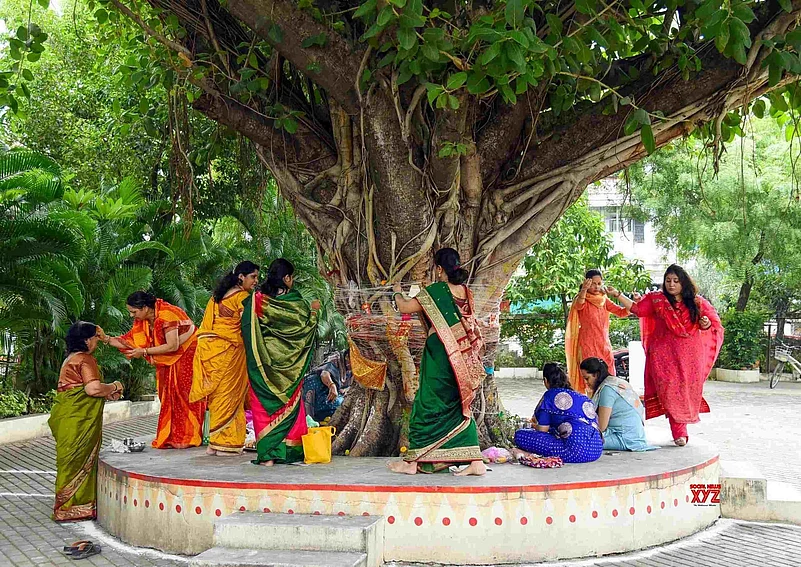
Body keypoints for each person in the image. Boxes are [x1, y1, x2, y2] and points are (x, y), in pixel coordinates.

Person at [388, 248, 486, 476]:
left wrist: (395, 292)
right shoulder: (465, 292)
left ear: (439, 269)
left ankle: (413, 462)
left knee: (426, 404)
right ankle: (475, 461)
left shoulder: (436, 291)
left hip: (441, 355)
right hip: (462, 358)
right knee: (459, 405)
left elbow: (404, 307)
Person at [615, 264, 723, 446]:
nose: (671, 284)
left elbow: (712, 324)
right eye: (668, 281)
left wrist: (705, 323)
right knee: (669, 390)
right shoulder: (657, 299)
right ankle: (679, 431)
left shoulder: (697, 302)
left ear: (684, 283)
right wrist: (618, 295)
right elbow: (637, 309)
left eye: (676, 281)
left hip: (690, 356)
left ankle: (680, 431)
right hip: (663, 356)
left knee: (683, 391)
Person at [241, 258, 321, 466]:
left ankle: (268, 456)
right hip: (290, 366)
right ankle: (289, 451)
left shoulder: (258, 300)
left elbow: (246, 324)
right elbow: (305, 329)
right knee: (290, 405)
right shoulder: (298, 303)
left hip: (264, 362)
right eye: (291, 277)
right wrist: (314, 311)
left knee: (263, 407)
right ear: (286, 278)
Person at [104, 291, 203, 449]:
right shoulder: (144, 320)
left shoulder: (167, 315)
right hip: (168, 359)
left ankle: (188, 437)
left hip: (187, 354)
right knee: (168, 396)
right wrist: (107, 339)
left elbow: (173, 345)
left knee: (183, 395)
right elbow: (130, 342)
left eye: (133, 312)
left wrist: (144, 352)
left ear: (144, 308)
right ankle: (172, 436)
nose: (131, 316)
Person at [49, 322, 123, 522]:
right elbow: (93, 390)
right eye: (95, 339)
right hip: (77, 421)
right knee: (77, 461)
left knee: (69, 462)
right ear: (87, 340)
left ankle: (68, 506)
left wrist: (106, 393)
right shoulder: (85, 359)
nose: (97, 343)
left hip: (67, 416)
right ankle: (72, 507)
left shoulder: (70, 359)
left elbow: (80, 390)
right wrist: (114, 386)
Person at [191, 261, 260, 456]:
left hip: (212, 353)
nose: (256, 281)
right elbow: (250, 328)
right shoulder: (244, 298)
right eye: (253, 277)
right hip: (230, 353)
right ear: (241, 277)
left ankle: (215, 441)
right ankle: (226, 444)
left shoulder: (216, 297)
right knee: (229, 397)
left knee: (219, 397)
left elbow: (208, 328)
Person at [513, 363, 603, 463]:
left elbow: (543, 430)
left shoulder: (550, 396)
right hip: (596, 450)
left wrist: (532, 425)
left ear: (546, 381)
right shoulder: (582, 397)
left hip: (575, 452)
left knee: (520, 435)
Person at [565, 269, 630, 394]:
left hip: (604, 345)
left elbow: (622, 312)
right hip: (587, 346)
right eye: (593, 283)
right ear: (587, 282)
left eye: (599, 283)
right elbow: (579, 305)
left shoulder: (604, 299)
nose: (596, 286)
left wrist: (626, 300)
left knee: (609, 378)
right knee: (590, 379)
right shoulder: (581, 298)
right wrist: (584, 290)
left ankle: (607, 406)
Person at [580, 357, 656, 452]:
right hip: (633, 435)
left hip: (623, 438)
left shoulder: (607, 389)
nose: (586, 383)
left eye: (587, 378)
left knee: (579, 440)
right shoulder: (615, 382)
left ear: (597, 374)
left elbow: (601, 426)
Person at [302, 350, 353, 423]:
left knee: (340, 405)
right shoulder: (336, 358)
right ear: (347, 357)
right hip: (316, 387)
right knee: (308, 412)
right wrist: (332, 385)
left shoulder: (353, 370)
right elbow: (324, 374)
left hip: (330, 395)